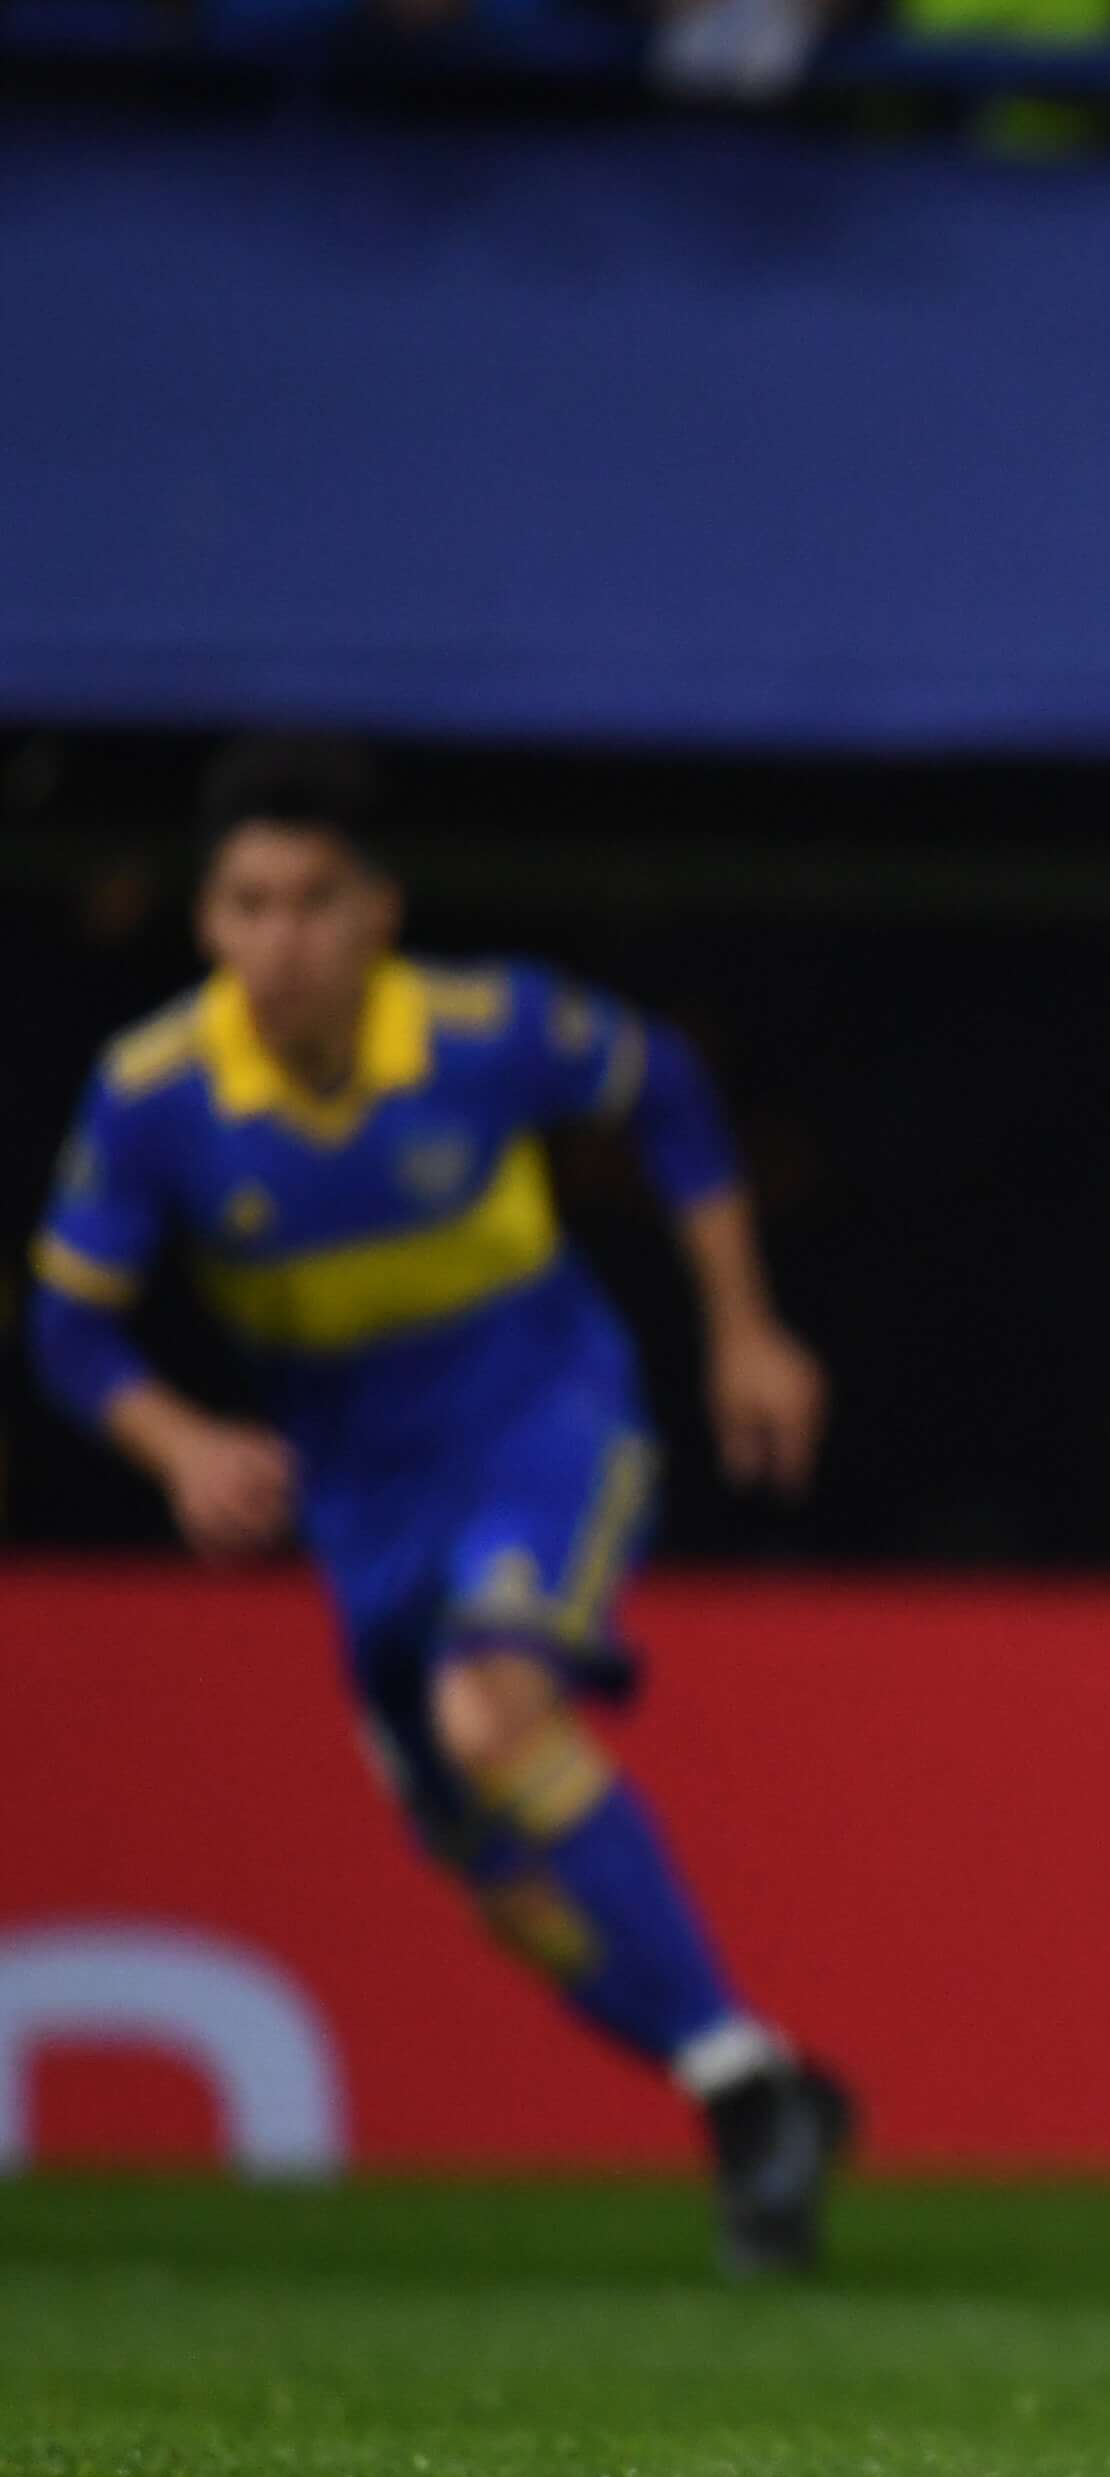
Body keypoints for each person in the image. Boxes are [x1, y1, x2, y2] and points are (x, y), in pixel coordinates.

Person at [22, 739, 856, 2276]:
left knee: (491, 1710)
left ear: (376, 914)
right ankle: (751, 2079)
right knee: (490, 1868)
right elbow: (67, 1324)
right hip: (358, 1491)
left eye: (315, 902)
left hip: (537, 1414)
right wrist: (178, 1444)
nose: (282, 939)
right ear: (210, 923)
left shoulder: (484, 1031)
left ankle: (746, 2098)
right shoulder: (155, 1097)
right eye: (250, 903)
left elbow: (662, 1088)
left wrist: (744, 1325)